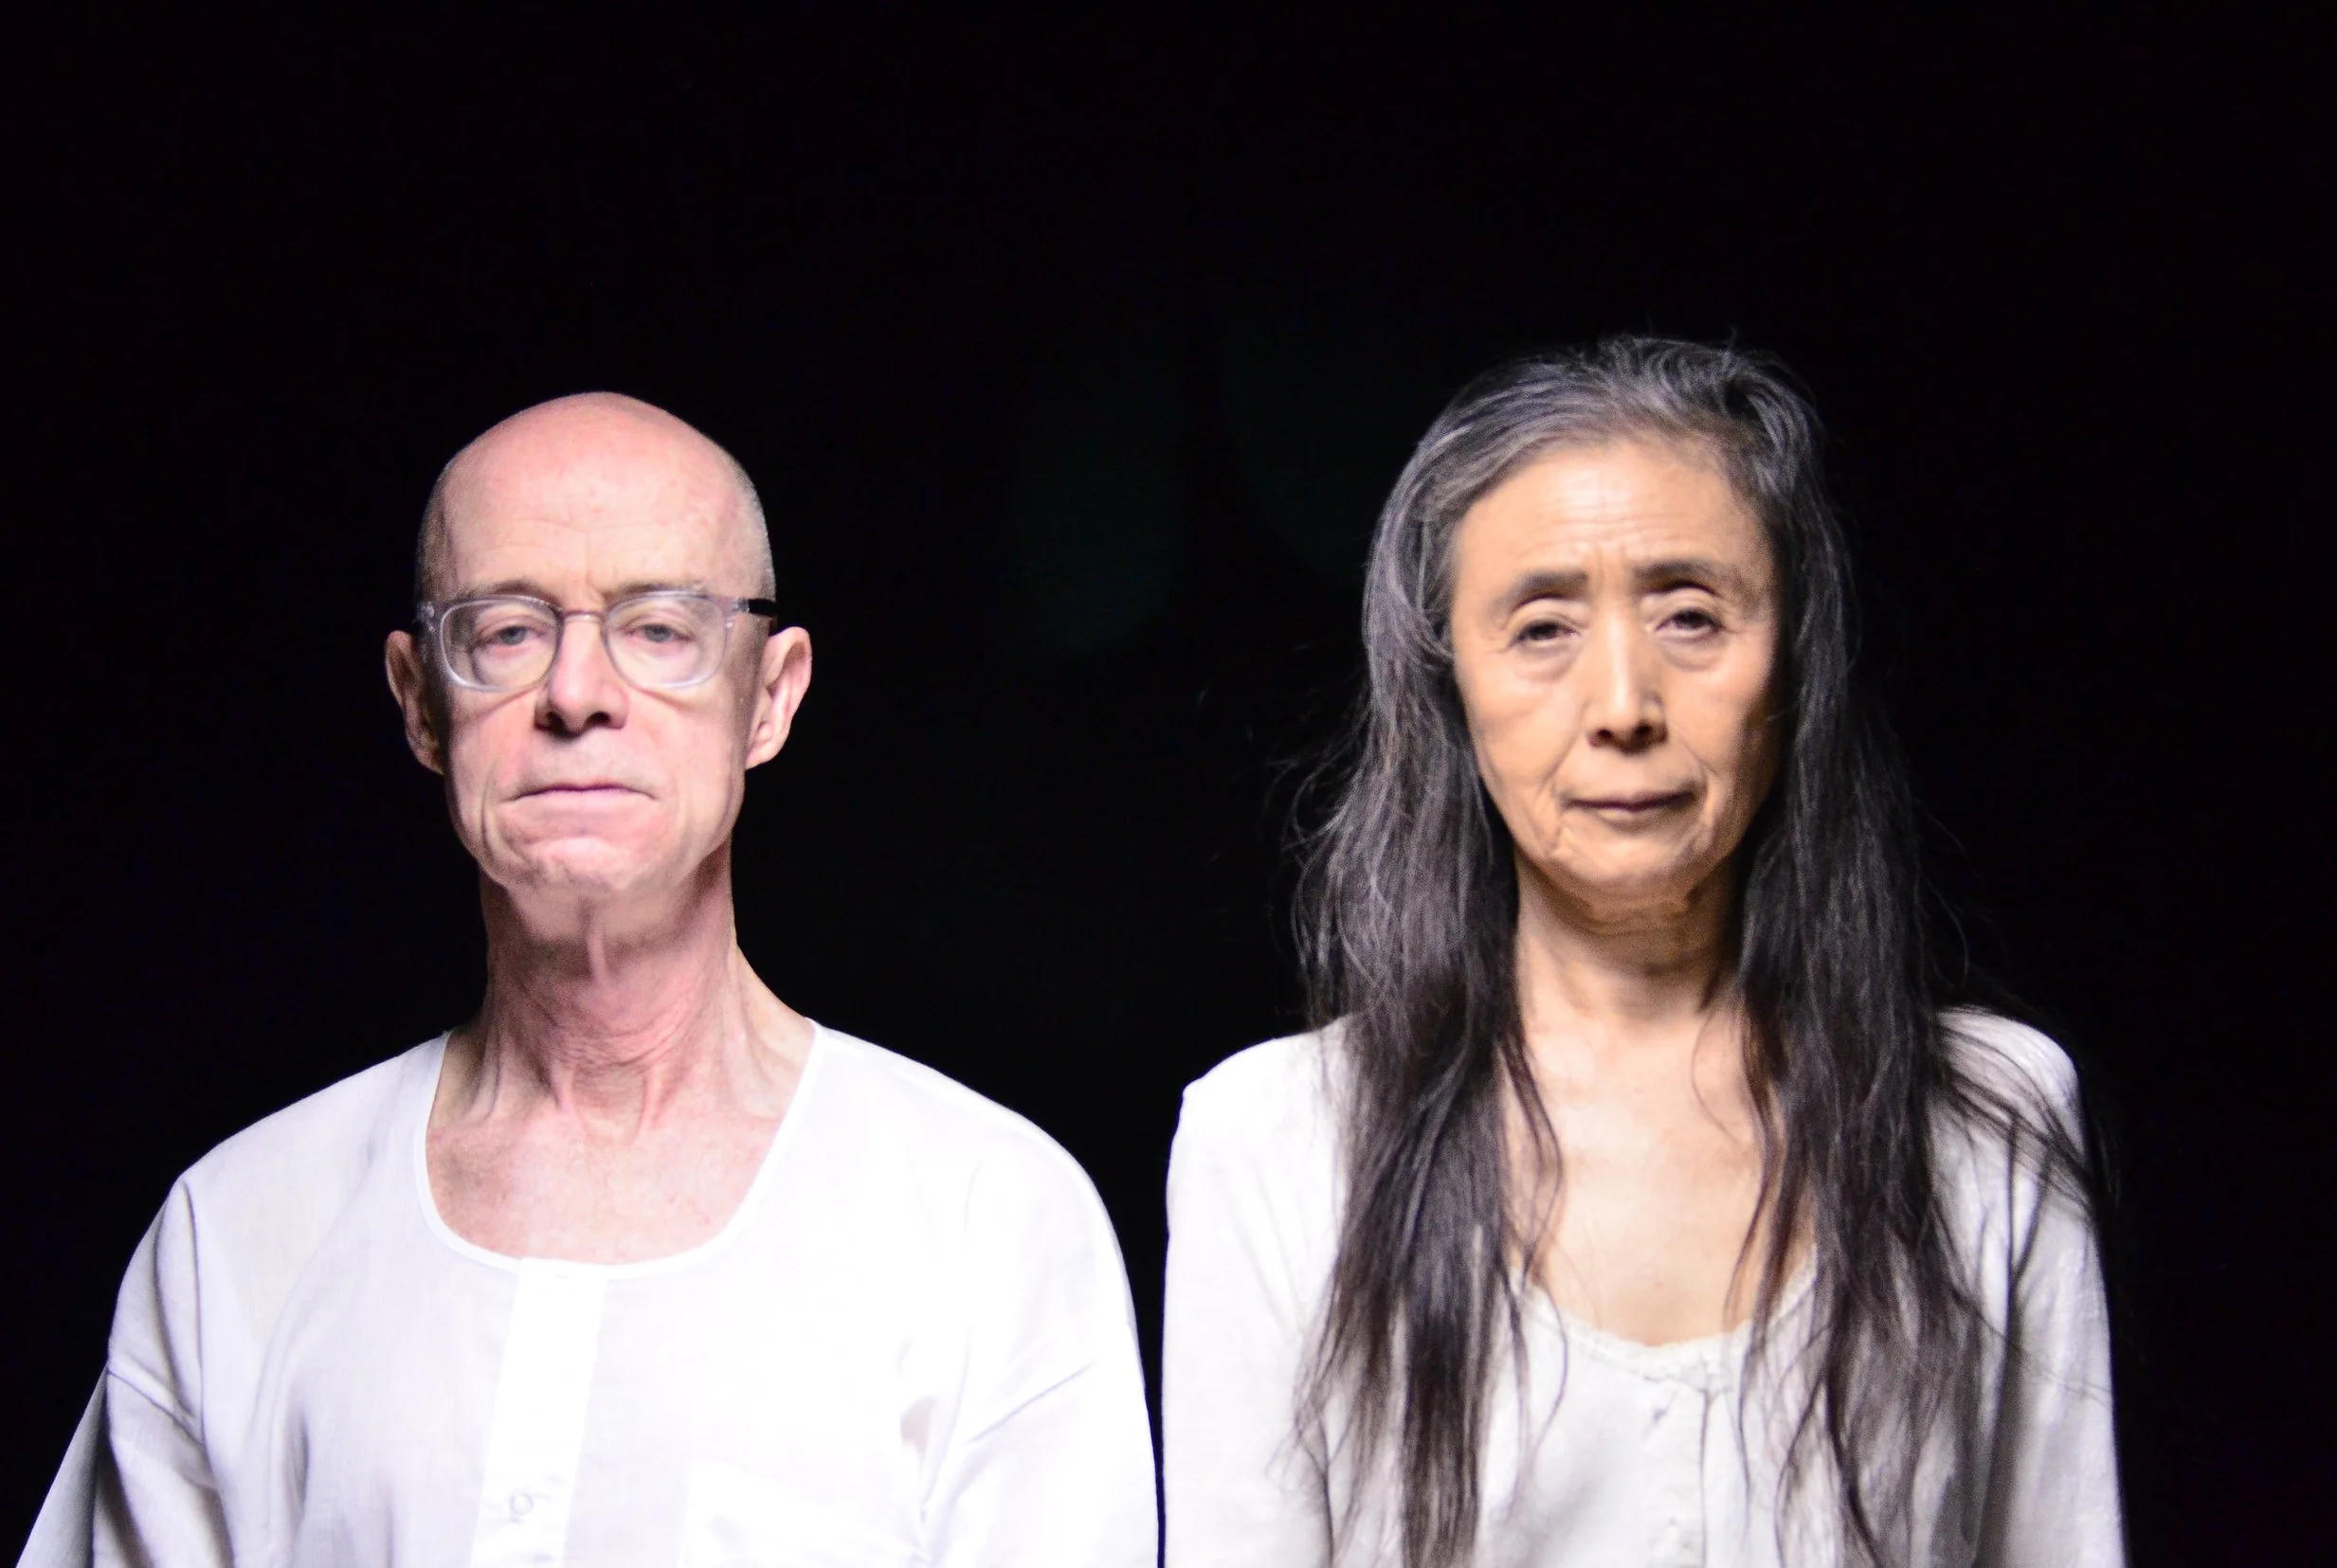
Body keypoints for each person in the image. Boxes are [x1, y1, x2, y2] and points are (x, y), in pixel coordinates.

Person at [21, 393, 1158, 1568]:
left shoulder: (988, 1222)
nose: (576, 692)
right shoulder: (236, 1232)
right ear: (419, 701)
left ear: (770, 696)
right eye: (506, 631)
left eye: (660, 628)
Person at [1162, 338, 2121, 1565]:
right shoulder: (1283, 1141)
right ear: (1448, 684)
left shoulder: (1988, 1118)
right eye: (1542, 627)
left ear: (1795, 662)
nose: (1623, 703)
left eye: (1691, 614)